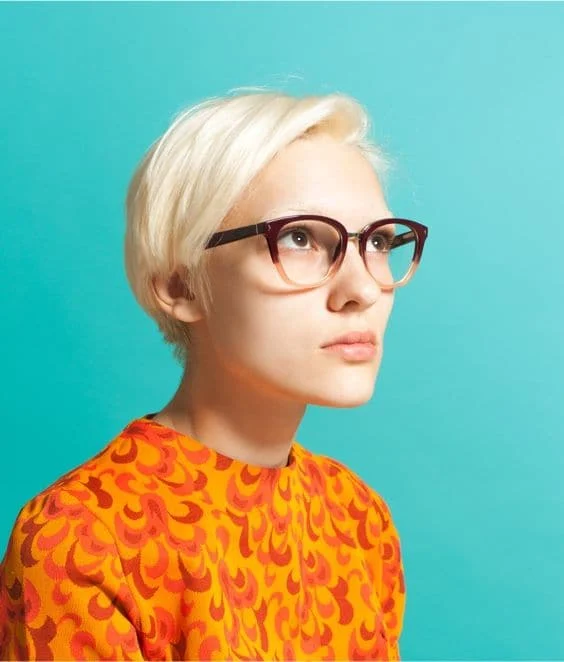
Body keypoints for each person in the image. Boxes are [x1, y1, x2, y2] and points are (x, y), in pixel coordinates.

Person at [0, 88, 428, 660]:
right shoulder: (81, 541)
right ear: (180, 285)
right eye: (300, 237)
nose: (361, 290)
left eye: (377, 242)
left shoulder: (359, 517)